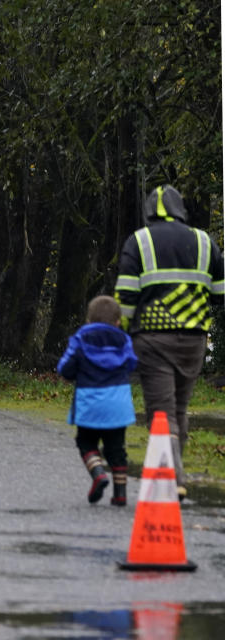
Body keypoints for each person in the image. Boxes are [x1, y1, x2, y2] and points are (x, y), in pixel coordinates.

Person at [116, 185, 225, 501]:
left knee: (162, 412)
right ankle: (174, 471)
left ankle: (174, 478)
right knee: (179, 407)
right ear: (181, 210)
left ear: (149, 212)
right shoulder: (205, 241)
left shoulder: (139, 241)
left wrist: (124, 334)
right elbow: (219, 294)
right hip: (194, 341)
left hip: (152, 340)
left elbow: (125, 299)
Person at [57, 295, 138, 506]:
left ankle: (99, 473)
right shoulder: (124, 340)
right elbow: (132, 364)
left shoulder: (80, 339)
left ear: (88, 321)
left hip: (90, 404)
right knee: (116, 449)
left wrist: (73, 373)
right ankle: (120, 493)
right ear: (118, 321)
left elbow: (65, 368)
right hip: (118, 406)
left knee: (86, 442)